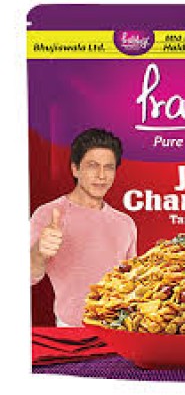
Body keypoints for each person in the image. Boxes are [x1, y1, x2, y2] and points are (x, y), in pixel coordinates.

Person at [30, 128, 137, 327]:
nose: (101, 175)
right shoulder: (49, 213)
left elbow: (132, 282)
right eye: (92, 166)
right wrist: (39, 252)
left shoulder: (125, 223)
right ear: (75, 169)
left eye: (109, 167)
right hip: (71, 329)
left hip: (119, 329)